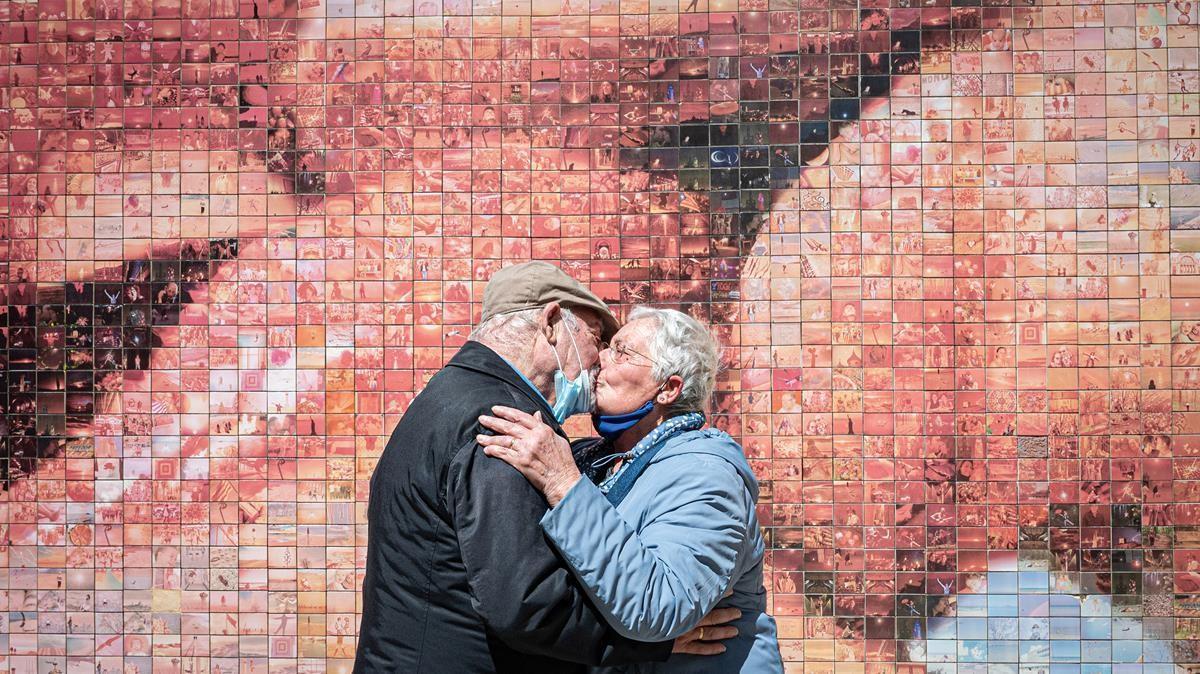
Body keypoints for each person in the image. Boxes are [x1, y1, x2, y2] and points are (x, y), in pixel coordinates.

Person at [355, 263, 738, 673]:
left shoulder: (451, 393)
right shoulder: (503, 420)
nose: (598, 361)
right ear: (553, 322)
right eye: (597, 338)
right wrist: (648, 646)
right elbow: (526, 599)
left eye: (620, 351)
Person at [477, 306, 783, 672]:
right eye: (607, 347)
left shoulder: (706, 476)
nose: (599, 358)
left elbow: (658, 606)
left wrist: (563, 484)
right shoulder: (592, 458)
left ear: (668, 389)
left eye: (621, 352)